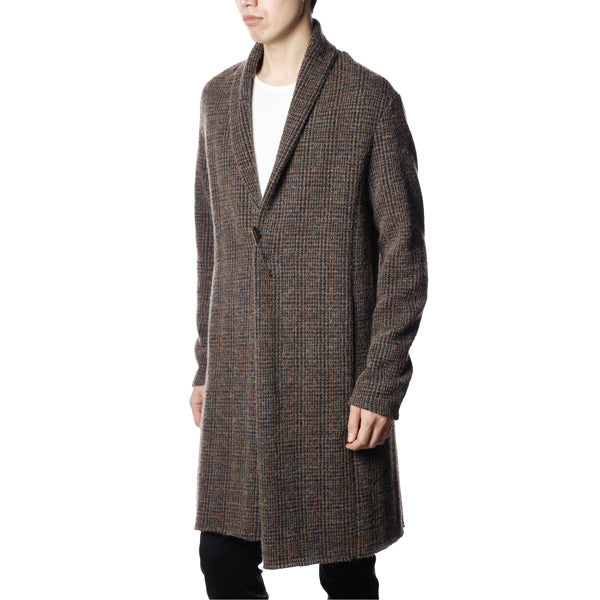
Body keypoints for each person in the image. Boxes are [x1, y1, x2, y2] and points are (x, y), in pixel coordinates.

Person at [189, 1, 428, 598]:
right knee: (222, 557)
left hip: (335, 380)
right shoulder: (218, 99)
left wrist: (382, 382)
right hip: (239, 376)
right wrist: (206, 365)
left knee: (346, 572)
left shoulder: (367, 98)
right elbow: (211, 245)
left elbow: (402, 256)